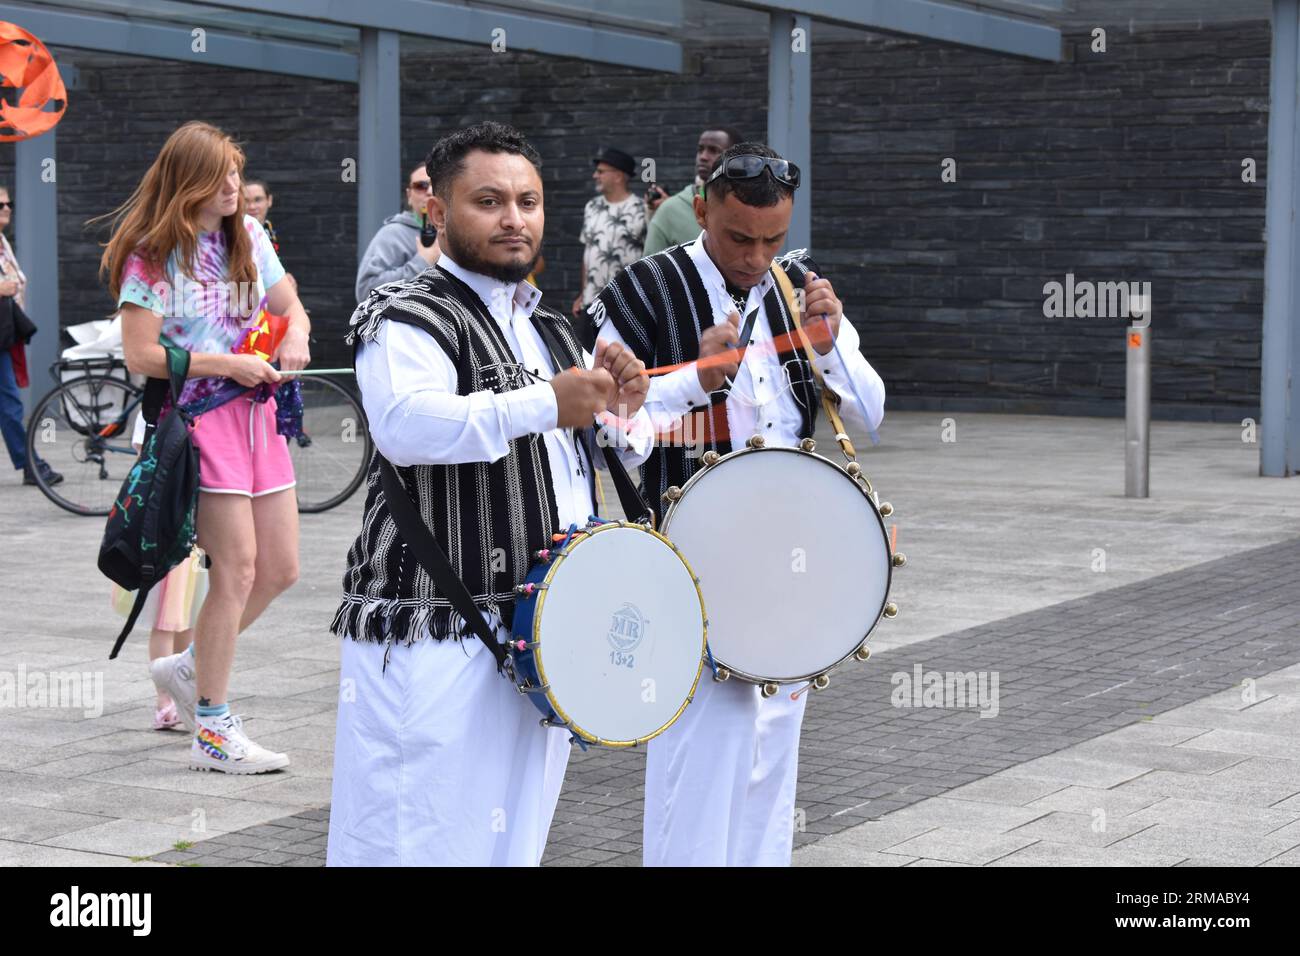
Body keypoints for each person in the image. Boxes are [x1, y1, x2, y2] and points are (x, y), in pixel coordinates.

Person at [327, 121, 653, 867]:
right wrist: (547, 402)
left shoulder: (549, 326)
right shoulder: (405, 310)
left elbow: (585, 450)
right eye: (489, 200)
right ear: (438, 213)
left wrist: (621, 407)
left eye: (529, 200)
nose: (515, 218)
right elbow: (405, 425)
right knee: (413, 841)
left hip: (540, 631)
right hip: (433, 632)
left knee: (511, 843)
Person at [590, 142, 887, 867]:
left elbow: (871, 412)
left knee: (772, 760)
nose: (757, 258)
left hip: (793, 560)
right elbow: (611, 433)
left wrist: (828, 344)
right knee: (701, 760)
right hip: (688, 560)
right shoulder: (642, 290)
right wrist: (696, 376)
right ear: (700, 212)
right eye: (738, 238)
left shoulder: (796, 288)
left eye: (773, 241)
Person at [104, 120, 311, 773]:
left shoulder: (248, 233)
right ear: (187, 179)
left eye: (236, 170)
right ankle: (213, 730)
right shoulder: (153, 250)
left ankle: (189, 666)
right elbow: (141, 353)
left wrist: (297, 334)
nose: (234, 185)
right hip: (199, 423)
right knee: (239, 569)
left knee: (281, 569)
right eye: (220, 174)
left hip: (259, 415)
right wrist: (225, 364)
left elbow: (288, 302)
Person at [0, 183, 62, 487]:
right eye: (1, 205)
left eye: (8, 203)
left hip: (4, 335)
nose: (7, 209)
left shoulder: (2, 242)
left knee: (8, 400)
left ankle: (30, 463)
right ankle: (30, 464)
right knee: (9, 401)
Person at [571, 147, 646, 345]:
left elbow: (651, 254)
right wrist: (582, 292)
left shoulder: (642, 209)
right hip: (591, 302)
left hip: (628, 305)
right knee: (586, 359)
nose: (595, 176)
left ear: (619, 176)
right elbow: (589, 252)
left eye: (601, 171)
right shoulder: (592, 206)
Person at [641, 126, 743, 256]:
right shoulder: (670, 211)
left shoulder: (750, 208)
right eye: (700, 150)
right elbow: (649, 272)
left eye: (714, 150)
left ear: (737, 159)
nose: (703, 157)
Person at [354, 163, 442, 301]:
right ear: (409, 196)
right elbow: (366, 292)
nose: (429, 191)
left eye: (435, 184)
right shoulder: (393, 234)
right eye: (421, 186)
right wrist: (422, 262)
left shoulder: (459, 231)